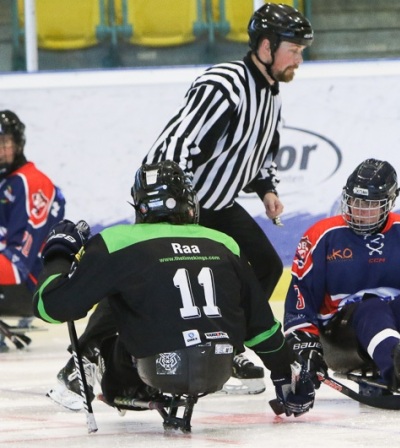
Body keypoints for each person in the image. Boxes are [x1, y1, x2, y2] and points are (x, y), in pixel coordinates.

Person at [48, 2, 315, 399]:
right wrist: (169, 207)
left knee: (263, 265)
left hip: (216, 203)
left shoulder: (271, 94)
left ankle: (224, 346)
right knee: (140, 271)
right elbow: (178, 144)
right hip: (177, 205)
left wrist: (266, 189)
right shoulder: (227, 84)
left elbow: (257, 153)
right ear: (264, 46)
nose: (299, 58)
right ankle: (84, 359)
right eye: (293, 49)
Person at [33, 161, 315, 428]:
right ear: (188, 202)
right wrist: (283, 374)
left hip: (156, 371)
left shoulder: (116, 241)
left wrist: (59, 253)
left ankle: (86, 362)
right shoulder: (224, 241)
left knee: (119, 288)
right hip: (218, 369)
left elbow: (50, 307)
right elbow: (261, 325)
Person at [283, 158, 400, 406]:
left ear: (390, 203)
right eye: (355, 201)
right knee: (373, 307)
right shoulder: (323, 236)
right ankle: (399, 370)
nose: (359, 210)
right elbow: (302, 294)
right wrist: (304, 344)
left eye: (370, 204)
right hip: (342, 334)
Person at [0, 110, 65, 351]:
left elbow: (18, 266)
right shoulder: (7, 181)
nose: (0, 151)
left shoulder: (30, 183)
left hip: (30, 285)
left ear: (18, 145)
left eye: (5, 143)